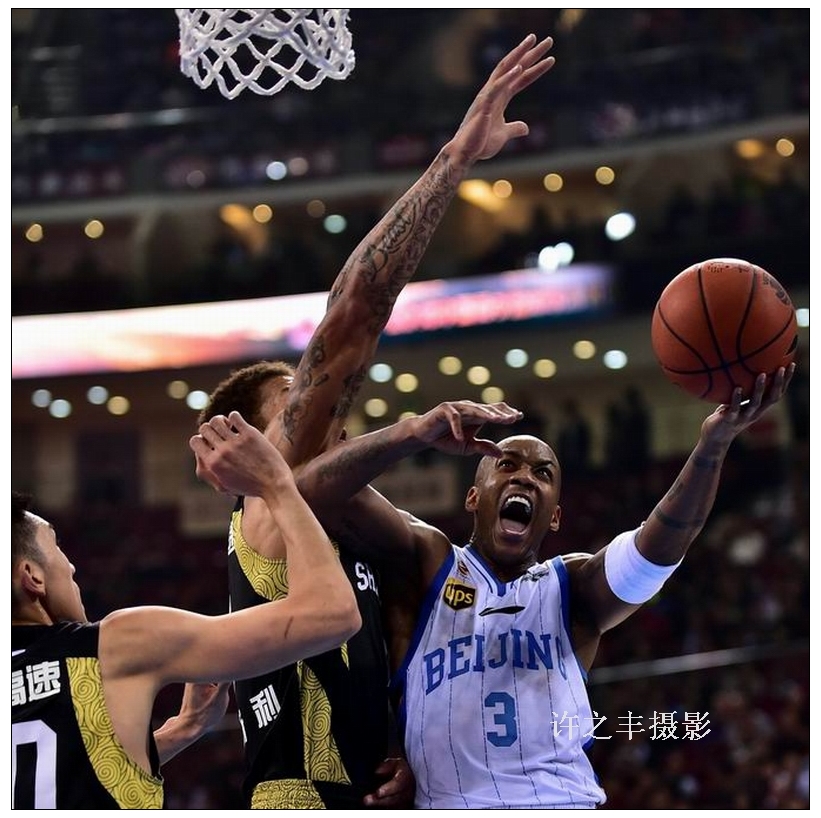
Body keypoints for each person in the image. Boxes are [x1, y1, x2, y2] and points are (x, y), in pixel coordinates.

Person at [193, 34, 557, 810]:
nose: (317, 406)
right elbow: (354, 311)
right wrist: (454, 159)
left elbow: (423, 579)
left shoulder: (340, 523)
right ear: (244, 442)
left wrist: (403, 741)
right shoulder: (266, 511)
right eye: (289, 402)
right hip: (300, 795)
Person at [197, 367, 793, 808]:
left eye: (543, 473)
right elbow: (309, 490)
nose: (525, 478)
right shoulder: (427, 562)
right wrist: (409, 433)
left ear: (554, 516)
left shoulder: (570, 588)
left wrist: (712, 446)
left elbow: (658, 549)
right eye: (506, 465)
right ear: (473, 497)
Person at [11, 430, 361, 809]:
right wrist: (276, 484)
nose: (72, 566)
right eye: (57, 547)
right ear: (32, 576)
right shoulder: (117, 644)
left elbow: (58, 773)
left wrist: (182, 729)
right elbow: (332, 614)